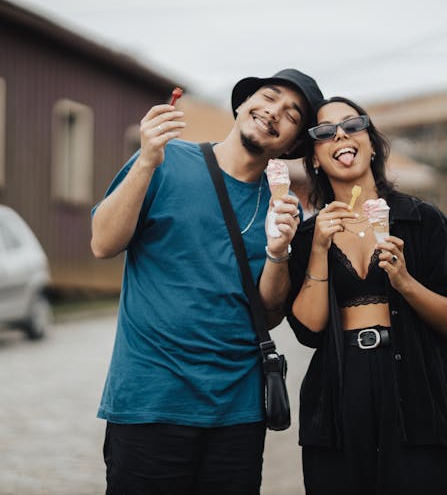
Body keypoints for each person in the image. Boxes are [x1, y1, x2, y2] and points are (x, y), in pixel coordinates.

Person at [90, 69, 323, 495]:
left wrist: (278, 251)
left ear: (292, 144)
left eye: (292, 114)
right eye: (268, 97)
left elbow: (269, 315)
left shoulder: (282, 207)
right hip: (151, 402)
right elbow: (103, 243)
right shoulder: (165, 160)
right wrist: (145, 161)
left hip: (238, 412)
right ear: (241, 104)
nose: (274, 112)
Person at [286, 97, 447, 494]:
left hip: (413, 389)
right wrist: (319, 249)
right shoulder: (306, 237)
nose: (340, 134)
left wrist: (404, 281)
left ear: (371, 144)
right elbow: (309, 331)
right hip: (339, 390)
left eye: (353, 125)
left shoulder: (424, 220)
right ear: (315, 159)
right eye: (324, 131)